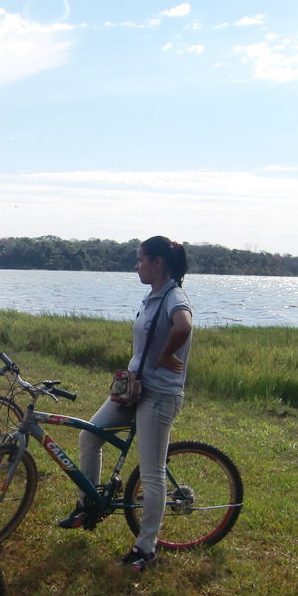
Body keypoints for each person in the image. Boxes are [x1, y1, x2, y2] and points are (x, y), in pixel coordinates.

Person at [61, 235, 193, 572]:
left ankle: (146, 548)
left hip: (159, 396)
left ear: (158, 264)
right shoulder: (151, 297)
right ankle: (89, 504)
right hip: (133, 390)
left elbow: (184, 326)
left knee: (151, 475)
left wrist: (166, 355)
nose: (136, 266)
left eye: (140, 260)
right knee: (90, 435)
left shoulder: (174, 296)